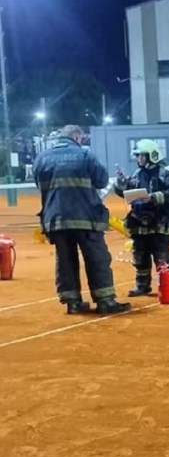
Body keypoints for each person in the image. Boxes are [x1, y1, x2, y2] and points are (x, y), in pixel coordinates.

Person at [32, 125, 131, 315]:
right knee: (96, 258)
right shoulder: (85, 156)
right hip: (86, 217)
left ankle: (73, 303)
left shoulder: (41, 159)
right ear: (77, 137)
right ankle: (105, 301)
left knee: (65, 260)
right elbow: (101, 181)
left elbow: (40, 186)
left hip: (55, 219)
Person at [114, 139, 169, 296]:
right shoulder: (137, 174)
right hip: (139, 223)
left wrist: (153, 197)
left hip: (159, 223)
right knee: (140, 256)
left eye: (141, 156)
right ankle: (142, 286)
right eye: (138, 156)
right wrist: (122, 182)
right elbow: (125, 193)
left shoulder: (165, 173)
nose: (139, 159)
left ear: (151, 156)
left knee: (162, 257)